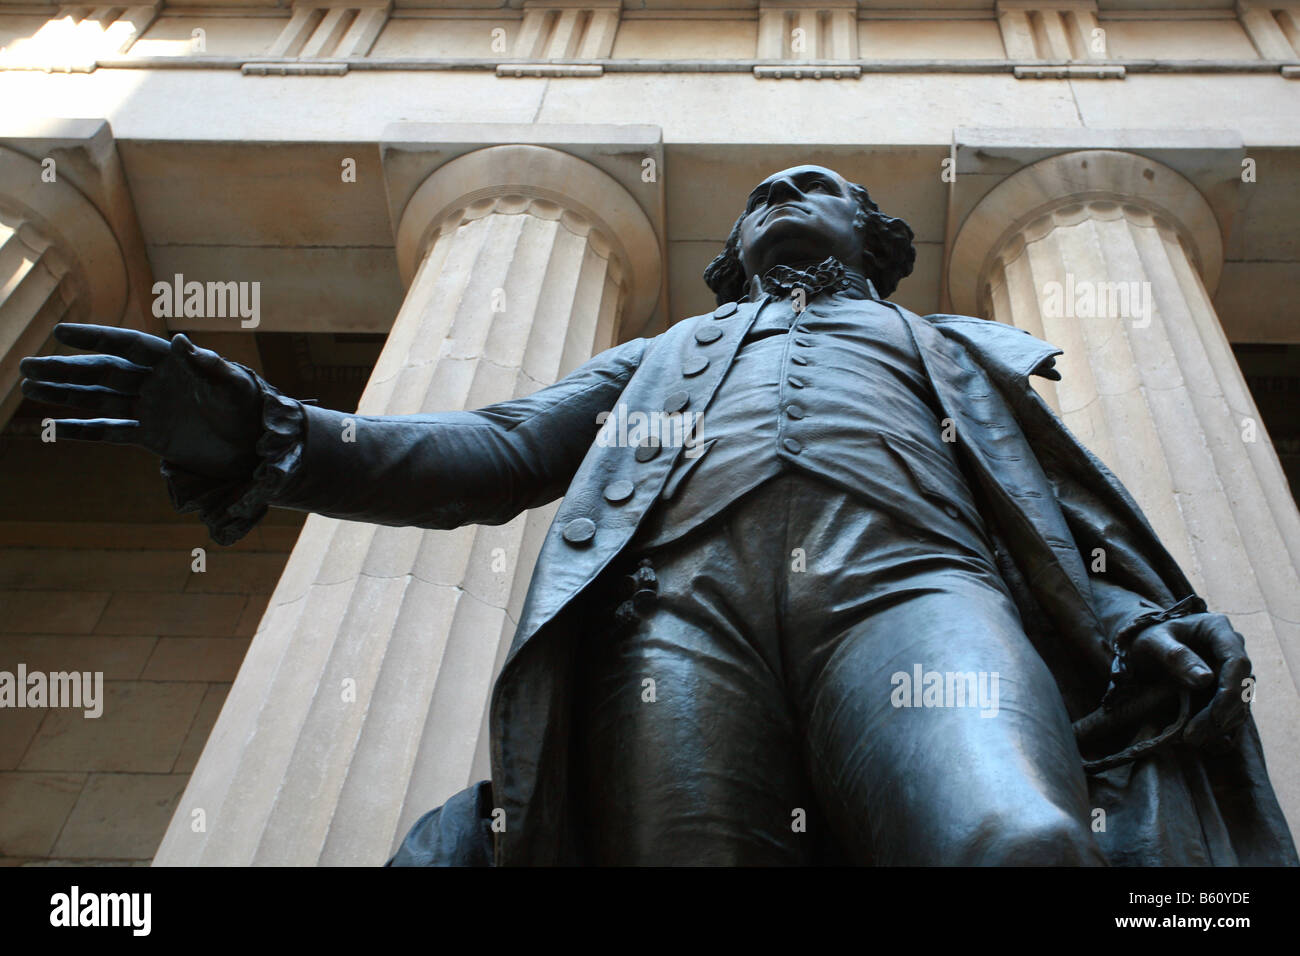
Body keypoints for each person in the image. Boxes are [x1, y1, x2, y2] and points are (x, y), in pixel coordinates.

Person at [21, 166, 1297, 866]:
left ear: (876, 236)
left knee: (1013, 837)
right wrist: (271, 432)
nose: (789, 187)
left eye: (824, 184)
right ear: (734, 250)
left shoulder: (942, 340)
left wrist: (1139, 614)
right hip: (677, 620)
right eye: (768, 191)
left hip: (912, 587)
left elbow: (1061, 508)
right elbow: (494, 448)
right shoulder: (673, 353)